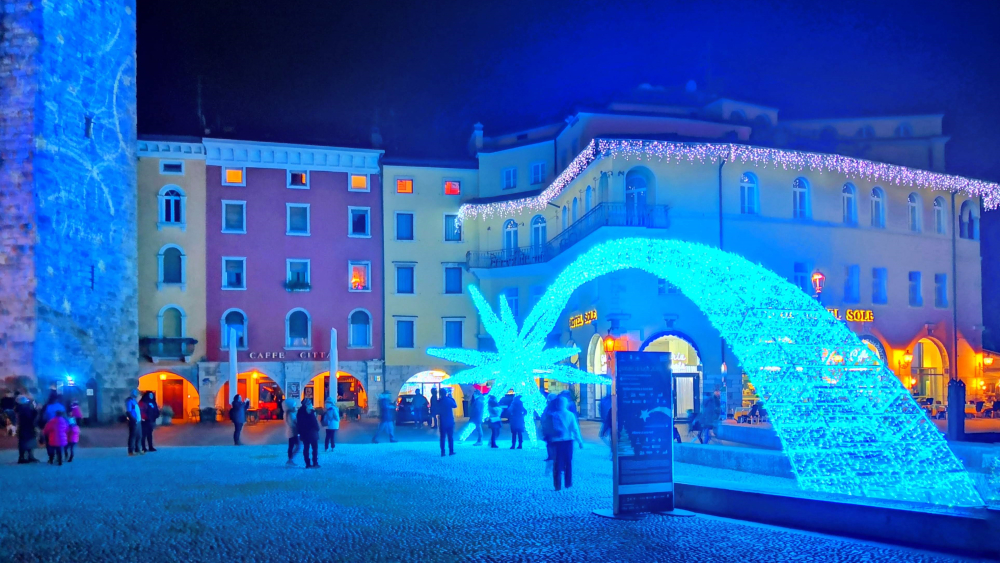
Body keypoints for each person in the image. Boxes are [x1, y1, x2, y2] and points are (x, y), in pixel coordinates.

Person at [550, 396, 583, 491]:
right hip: (568, 441)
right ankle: (568, 483)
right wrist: (579, 441)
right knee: (568, 462)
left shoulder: (554, 415)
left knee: (557, 463)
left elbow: (550, 429)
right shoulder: (570, 415)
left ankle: (557, 485)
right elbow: (575, 429)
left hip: (557, 442)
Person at [15, 396, 40, 464]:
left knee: (23, 442)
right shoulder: (26, 409)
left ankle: (23, 457)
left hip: (24, 427)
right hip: (28, 427)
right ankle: (28, 456)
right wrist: (35, 412)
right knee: (28, 442)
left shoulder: (20, 409)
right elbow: (31, 417)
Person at [297, 399, 320, 468]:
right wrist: (317, 428)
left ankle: (307, 464)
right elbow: (314, 422)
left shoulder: (300, 411)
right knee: (314, 448)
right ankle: (315, 463)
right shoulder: (310, 411)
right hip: (312, 432)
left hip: (304, 433)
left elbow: (299, 423)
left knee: (306, 448)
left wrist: (300, 432)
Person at [540, 394, 559, 475]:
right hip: (548, 430)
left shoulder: (553, 408)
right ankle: (551, 458)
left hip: (552, 430)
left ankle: (553, 461)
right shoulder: (549, 408)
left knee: (552, 445)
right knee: (550, 444)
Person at [437, 387, 457, 456]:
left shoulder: (439, 401)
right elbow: (455, 405)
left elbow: (437, 410)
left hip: (442, 421)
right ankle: (451, 451)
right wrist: (451, 397)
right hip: (450, 421)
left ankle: (443, 452)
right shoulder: (449, 400)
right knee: (450, 437)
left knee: (442, 437)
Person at [125, 389, 143, 456]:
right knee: (133, 436)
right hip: (134, 421)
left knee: (139, 436)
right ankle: (131, 451)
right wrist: (133, 419)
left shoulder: (134, 401)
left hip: (138, 421)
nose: (137, 394)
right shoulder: (129, 401)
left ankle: (138, 449)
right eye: (135, 393)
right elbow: (128, 412)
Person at [284, 398, 301, 466]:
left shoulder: (288, 413)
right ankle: (290, 459)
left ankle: (290, 459)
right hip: (293, 432)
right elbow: (293, 423)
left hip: (291, 432)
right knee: (296, 446)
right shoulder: (290, 414)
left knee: (292, 446)